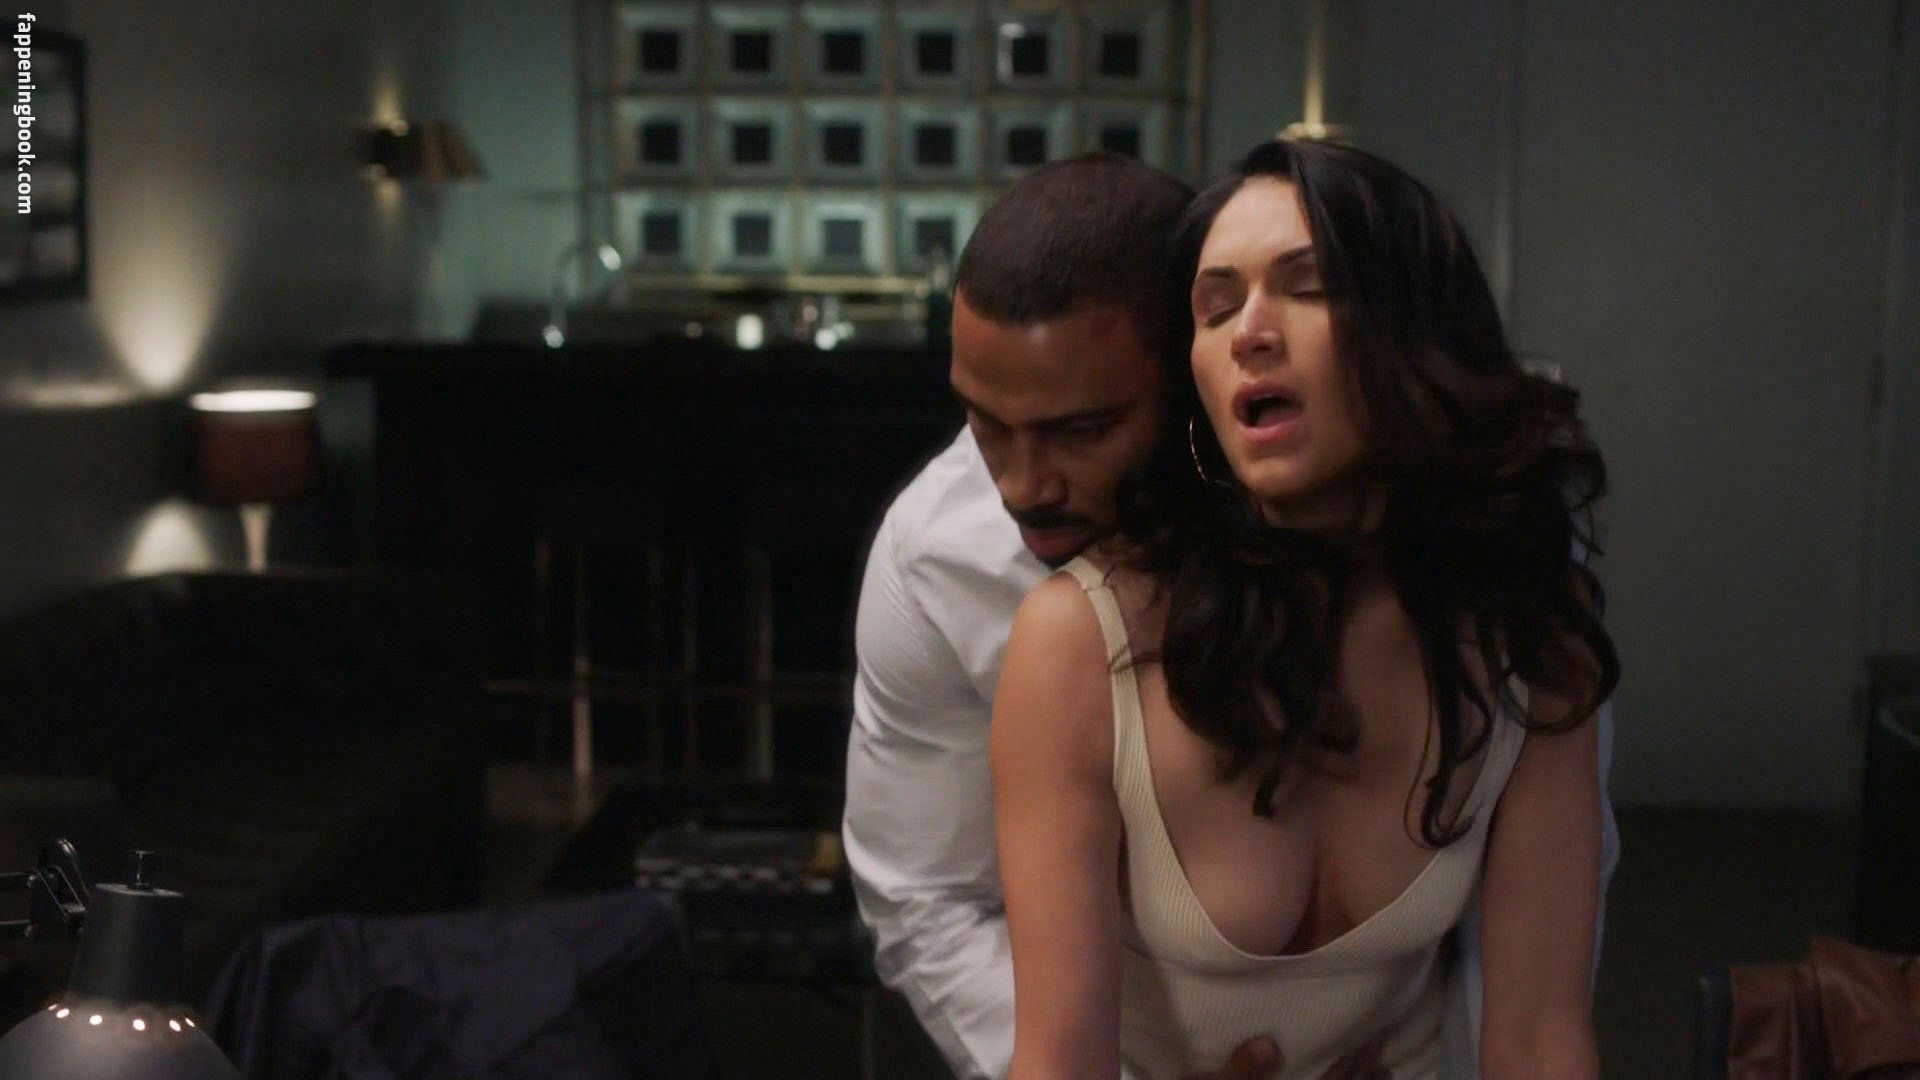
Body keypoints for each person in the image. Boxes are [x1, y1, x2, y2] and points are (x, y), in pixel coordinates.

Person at [843, 149, 1618, 1079]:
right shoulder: (988, 581)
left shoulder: (1521, 597)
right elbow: (929, 901)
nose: (1023, 486)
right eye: (1217, 305)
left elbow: (1538, 1009)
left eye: (1307, 287)